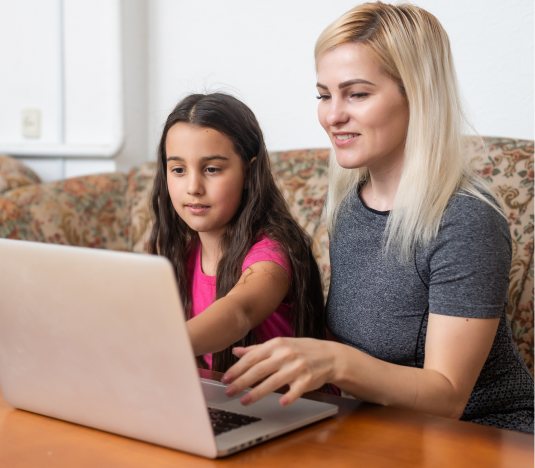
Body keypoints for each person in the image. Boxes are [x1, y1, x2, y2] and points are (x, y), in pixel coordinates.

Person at [221, 2, 535, 434]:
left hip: (484, 434)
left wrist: (334, 362)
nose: (333, 116)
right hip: (389, 430)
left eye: (357, 94)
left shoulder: (465, 221)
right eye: (324, 94)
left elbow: (447, 395)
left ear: (418, 96)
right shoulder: (350, 204)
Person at [148, 93, 325, 373]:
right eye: (178, 169)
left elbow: (239, 312)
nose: (193, 186)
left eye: (212, 169)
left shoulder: (271, 253)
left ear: (248, 173)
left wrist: (159, 346)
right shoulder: (179, 254)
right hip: (224, 401)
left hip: (287, 406)